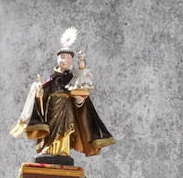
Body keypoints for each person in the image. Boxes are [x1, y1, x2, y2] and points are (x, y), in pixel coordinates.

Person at [11, 28, 114, 163]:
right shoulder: (52, 80)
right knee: (51, 130)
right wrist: (38, 93)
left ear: (71, 61)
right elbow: (43, 97)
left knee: (66, 130)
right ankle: (49, 148)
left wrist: (79, 101)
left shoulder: (72, 78)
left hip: (66, 110)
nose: (64, 60)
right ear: (57, 59)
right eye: (62, 57)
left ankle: (63, 151)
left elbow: (80, 99)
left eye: (68, 58)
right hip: (52, 109)